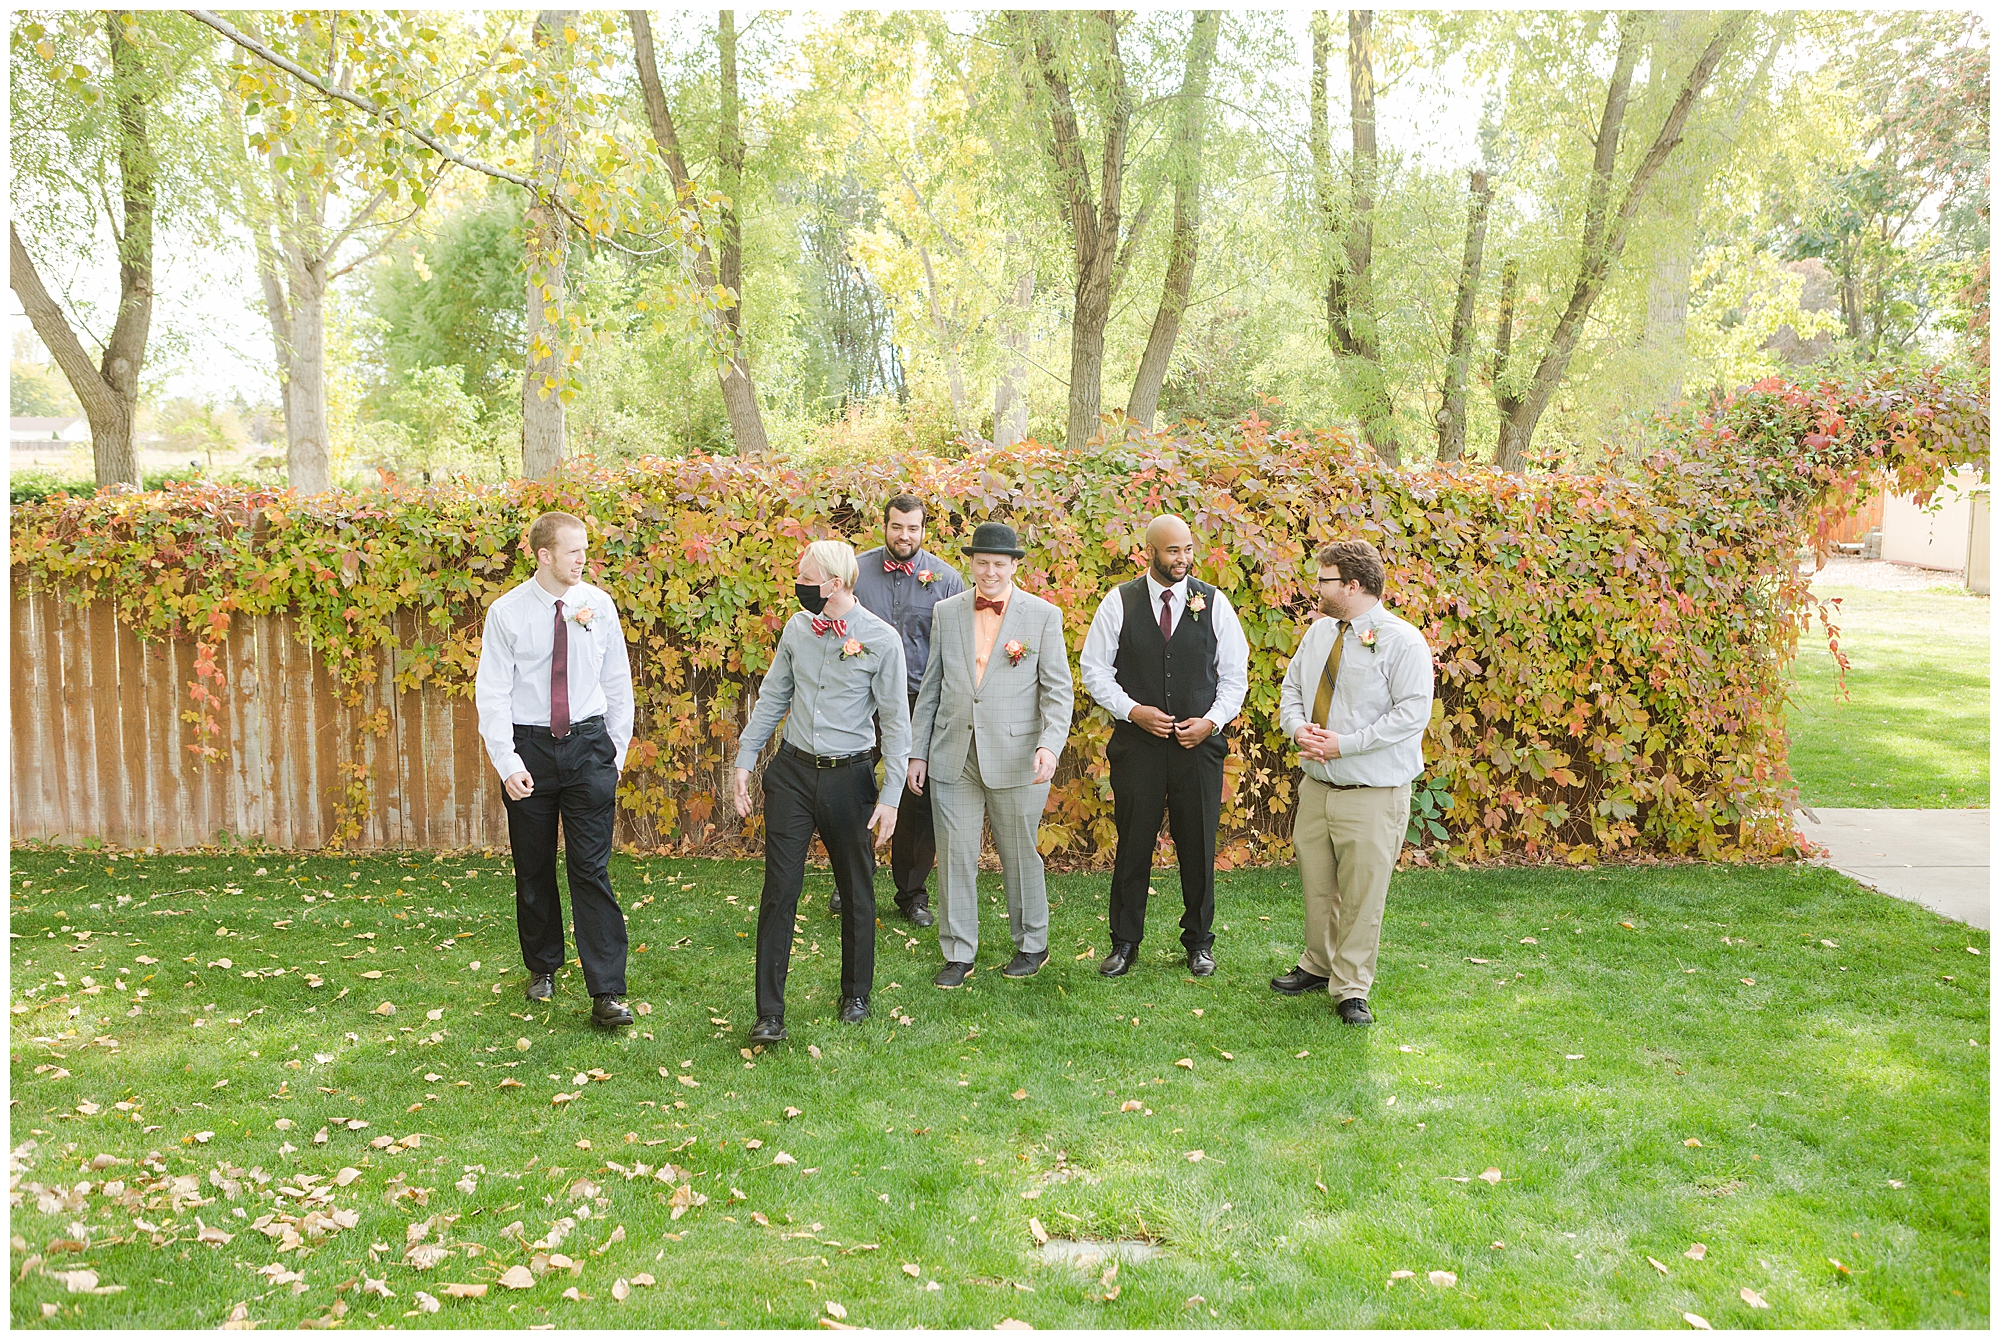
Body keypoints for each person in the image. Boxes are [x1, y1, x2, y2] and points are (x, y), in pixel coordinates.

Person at [732, 540, 910, 1043]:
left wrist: (891, 795)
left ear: (834, 584)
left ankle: (855, 993)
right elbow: (772, 698)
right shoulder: (796, 629)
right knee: (779, 890)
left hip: (848, 778)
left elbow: (897, 724)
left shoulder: (881, 640)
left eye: (806, 574)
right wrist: (745, 760)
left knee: (856, 889)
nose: (798, 581)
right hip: (791, 773)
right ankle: (770, 1012)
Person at [474, 511, 636, 1029]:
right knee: (534, 867)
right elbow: (493, 692)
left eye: (585, 549)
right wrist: (507, 761)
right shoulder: (507, 613)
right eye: (573, 551)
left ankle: (607, 990)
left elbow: (618, 684)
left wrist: (615, 751)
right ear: (544, 555)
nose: (583, 559)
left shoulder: (599, 605)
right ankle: (542, 966)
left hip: (589, 747)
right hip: (530, 749)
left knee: (591, 869)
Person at [1078, 514, 1249, 979]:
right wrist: (1133, 710)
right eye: (1173, 551)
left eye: (1188, 549)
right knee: (1134, 843)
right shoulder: (1119, 602)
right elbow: (1094, 669)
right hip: (1138, 748)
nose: (1183, 559)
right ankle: (1125, 943)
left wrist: (1211, 722)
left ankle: (1198, 943)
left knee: (1198, 846)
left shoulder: (1214, 603)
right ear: (1149, 551)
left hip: (1199, 748)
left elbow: (1235, 677)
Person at [1274, 538, 1435, 1025]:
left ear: (1353, 585)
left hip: (1373, 794)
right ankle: (1318, 964)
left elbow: (1412, 714)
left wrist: (1345, 744)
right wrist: (1297, 727)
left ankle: (1351, 988)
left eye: (1323, 580)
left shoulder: (1402, 640)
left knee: (1363, 893)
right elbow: (1292, 690)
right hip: (1317, 788)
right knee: (1318, 885)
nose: (1315, 589)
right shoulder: (1319, 634)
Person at [909, 522, 1074, 988]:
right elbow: (932, 687)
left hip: (1017, 754)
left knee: (1019, 852)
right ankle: (958, 952)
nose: (990, 572)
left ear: (1014, 566)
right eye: (982, 563)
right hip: (953, 754)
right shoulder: (947, 611)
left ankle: (1031, 943)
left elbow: (1058, 693)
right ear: (971, 564)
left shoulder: (1043, 616)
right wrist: (917, 753)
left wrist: (1049, 745)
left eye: (999, 564)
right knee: (956, 853)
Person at [851, 493, 967, 929]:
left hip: (920, 703)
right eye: (897, 526)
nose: (905, 535)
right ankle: (853, 882)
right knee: (855, 788)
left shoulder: (946, 580)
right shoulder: (856, 573)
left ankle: (912, 893)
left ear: (924, 529)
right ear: (884, 525)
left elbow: (958, 647)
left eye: (913, 528)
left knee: (917, 796)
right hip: (864, 699)